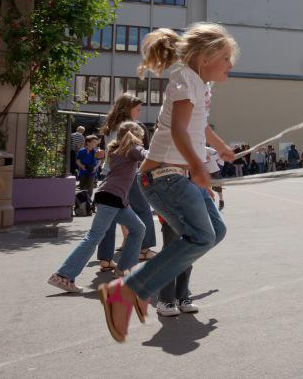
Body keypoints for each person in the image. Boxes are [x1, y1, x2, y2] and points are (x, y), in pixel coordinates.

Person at [98, 23, 237, 343]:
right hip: (163, 176)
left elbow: (198, 127)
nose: (230, 65)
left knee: (216, 232)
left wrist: (220, 147)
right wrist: (199, 168)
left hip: (178, 175)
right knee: (202, 236)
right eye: (226, 58)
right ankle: (128, 292)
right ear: (205, 58)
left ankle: (143, 291)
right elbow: (177, 130)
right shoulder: (184, 79)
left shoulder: (201, 84)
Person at [48, 121, 148, 294]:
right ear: (135, 135)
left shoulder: (116, 150)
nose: (142, 138)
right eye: (140, 135)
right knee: (94, 237)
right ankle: (63, 275)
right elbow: (148, 155)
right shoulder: (132, 149)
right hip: (111, 198)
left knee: (138, 228)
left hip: (114, 199)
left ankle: (123, 270)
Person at [157, 145, 223, 317]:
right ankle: (165, 300)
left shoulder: (185, 146)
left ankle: (182, 296)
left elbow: (188, 174)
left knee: (188, 252)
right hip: (171, 206)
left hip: (188, 204)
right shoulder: (163, 148)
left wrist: (202, 184)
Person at [96, 94, 157, 270]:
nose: (139, 112)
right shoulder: (131, 128)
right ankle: (144, 249)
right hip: (129, 175)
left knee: (110, 217)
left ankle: (105, 260)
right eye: (137, 109)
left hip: (109, 175)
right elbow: (138, 153)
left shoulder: (110, 127)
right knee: (143, 210)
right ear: (127, 108)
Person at [75, 135, 102, 207]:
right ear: (88, 143)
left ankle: (88, 202)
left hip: (92, 171)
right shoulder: (81, 151)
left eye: (96, 142)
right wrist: (82, 166)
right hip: (83, 171)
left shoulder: (96, 151)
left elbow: (99, 161)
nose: (95, 144)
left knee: (90, 186)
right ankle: (81, 202)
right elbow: (77, 160)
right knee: (82, 186)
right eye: (93, 142)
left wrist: (95, 167)